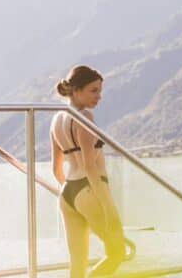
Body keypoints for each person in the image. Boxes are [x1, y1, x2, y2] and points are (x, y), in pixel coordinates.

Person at [50, 65, 134, 277]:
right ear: (76, 90)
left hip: (67, 193)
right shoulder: (84, 117)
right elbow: (89, 166)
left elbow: (56, 168)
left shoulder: (57, 119)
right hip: (90, 190)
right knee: (116, 253)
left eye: (100, 90)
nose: (99, 96)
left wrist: (73, 196)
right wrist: (108, 208)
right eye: (93, 90)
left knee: (77, 265)